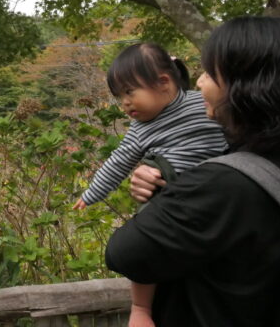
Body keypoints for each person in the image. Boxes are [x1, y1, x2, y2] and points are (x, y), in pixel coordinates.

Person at [107, 16, 280, 326]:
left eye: (210, 72)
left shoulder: (225, 184)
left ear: (245, 84)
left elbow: (124, 253)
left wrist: (170, 193)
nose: (198, 82)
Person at [72, 43, 228, 326]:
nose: (125, 103)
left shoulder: (202, 102)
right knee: (147, 236)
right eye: (120, 97)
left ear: (164, 82)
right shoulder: (140, 129)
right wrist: (91, 194)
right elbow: (117, 163)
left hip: (219, 188)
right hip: (169, 194)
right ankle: (140, 307)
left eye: (130, 92)